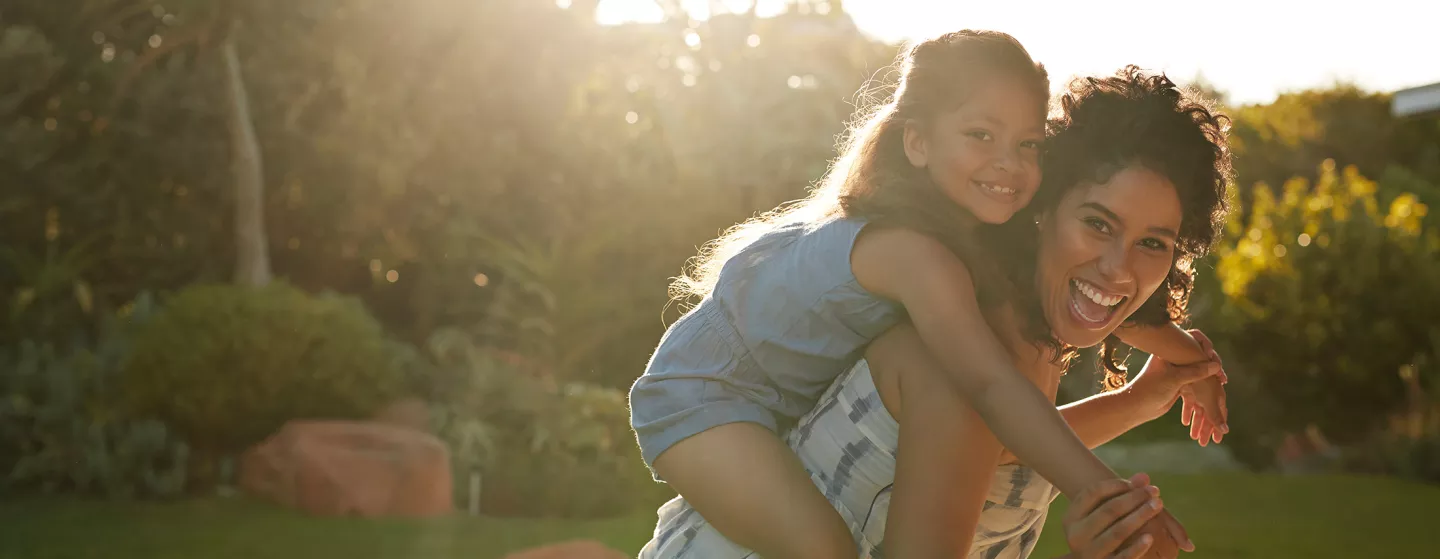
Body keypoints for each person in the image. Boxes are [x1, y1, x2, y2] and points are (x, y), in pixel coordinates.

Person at [628, 30, 1227, 559]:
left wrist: (1173, 367)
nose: (1120, 269)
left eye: (1154, 244)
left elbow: (1005, 439)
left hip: (747, 398)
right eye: (1097, 223)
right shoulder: (934, 283)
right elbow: (992, 397)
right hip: (702, 395)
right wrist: (1101, 492)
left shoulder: (986, 280)